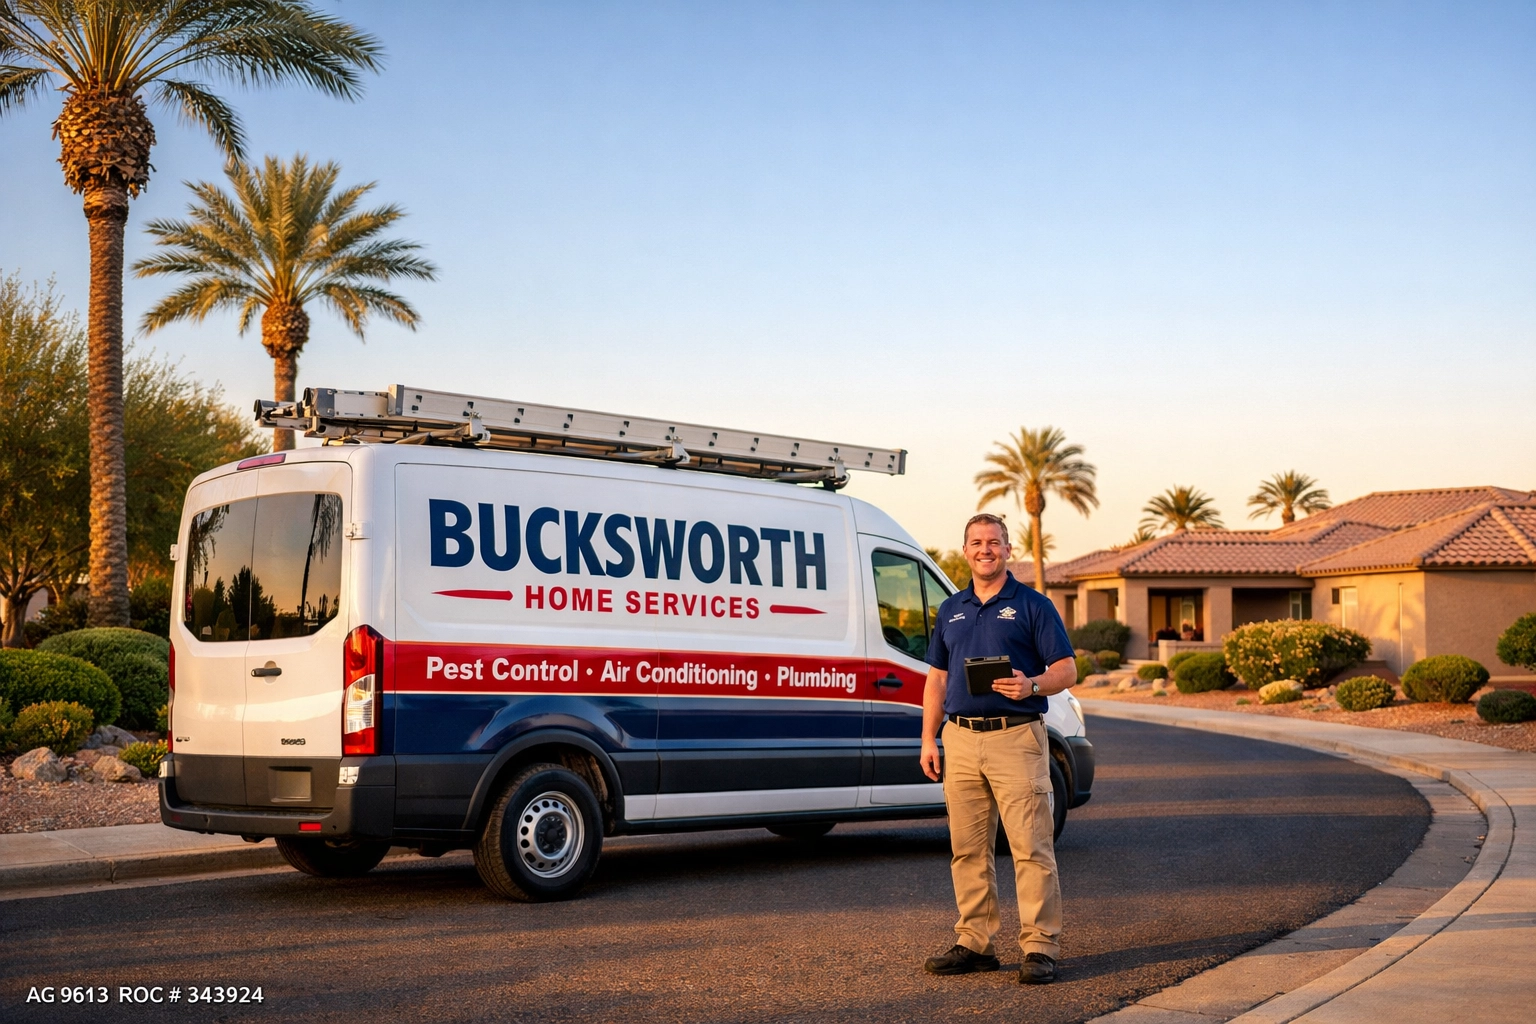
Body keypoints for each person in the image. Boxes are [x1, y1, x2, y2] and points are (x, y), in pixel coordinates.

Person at [919, 513, 1078, 985]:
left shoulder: (1033, 605)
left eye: (994, 542)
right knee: (967, 850)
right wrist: (929, 737)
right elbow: (937, 679)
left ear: (1008, 549)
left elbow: (1066, 671)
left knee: (1030, 847)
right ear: (965, 551)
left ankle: (1039, 946)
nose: (984, 549)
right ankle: (975, 942)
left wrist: (1031, 683)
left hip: (1016, 737)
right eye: (976, 542)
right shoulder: (951, 609)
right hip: (961, 739)